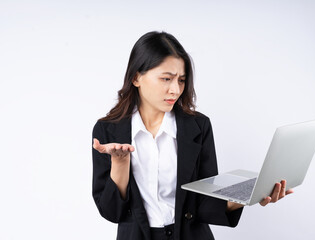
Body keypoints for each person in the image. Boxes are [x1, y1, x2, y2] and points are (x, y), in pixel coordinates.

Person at [92, 31, 293, 240]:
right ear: (136, 77)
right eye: (166, 79)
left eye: (181, 80)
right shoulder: (107, 130)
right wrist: (120, 164)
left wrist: (249, 195)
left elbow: (204, 202)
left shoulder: (198, 126)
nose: (175, 89)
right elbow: (111, 212)